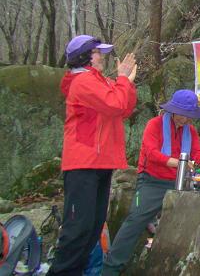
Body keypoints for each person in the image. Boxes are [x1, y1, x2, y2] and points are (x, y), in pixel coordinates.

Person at [47, 35, 137, 276]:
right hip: (83, 163)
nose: (102, 57)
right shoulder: (83, 81)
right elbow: (116, 104)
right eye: (98, 52)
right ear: (85, 56)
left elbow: (124, 109)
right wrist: (121, 78)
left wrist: (126, 82)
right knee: (78, 229)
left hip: (101, 162)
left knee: (93, 227)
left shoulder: (99, 81)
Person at [102, 90, 200, 275]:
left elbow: (198, 151)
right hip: (151, 180)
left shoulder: (190, 130)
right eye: (182, 114)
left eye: (189, 116)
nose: (184, 119)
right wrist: (178, 162)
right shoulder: (154, 125)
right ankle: (111, 267)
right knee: (136, 218)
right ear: (173, 110)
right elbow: (151, 153)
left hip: (179, 181)